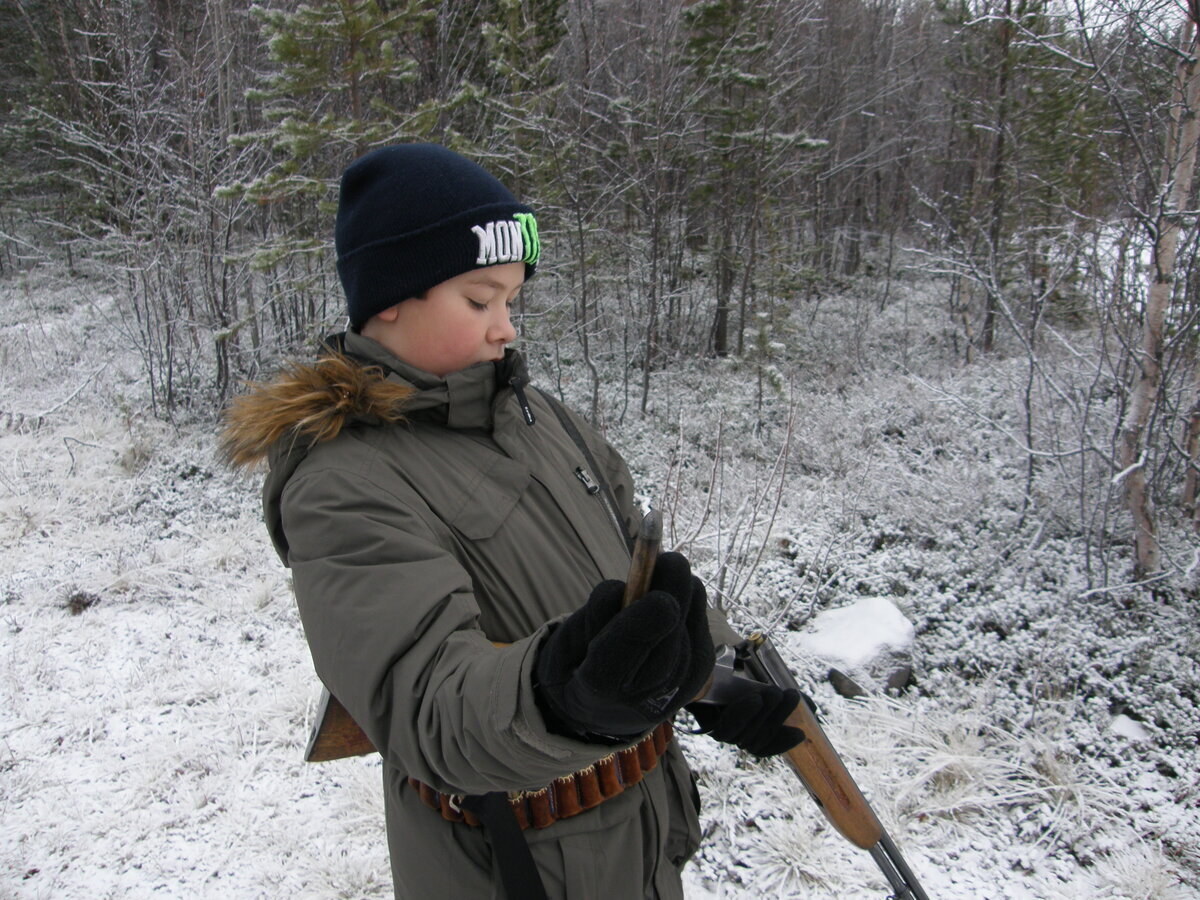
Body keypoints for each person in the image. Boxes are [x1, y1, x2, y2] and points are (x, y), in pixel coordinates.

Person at [223, 143, 802, 899]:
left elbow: (635, 563)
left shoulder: (535, 414)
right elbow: (427, 701)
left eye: (511, 302)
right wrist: (562, 693)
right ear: (390, 298)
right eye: (478, 300)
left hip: (639, 845)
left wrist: (714, 673)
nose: (505, 329)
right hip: (512, 868)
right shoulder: (340, 481)